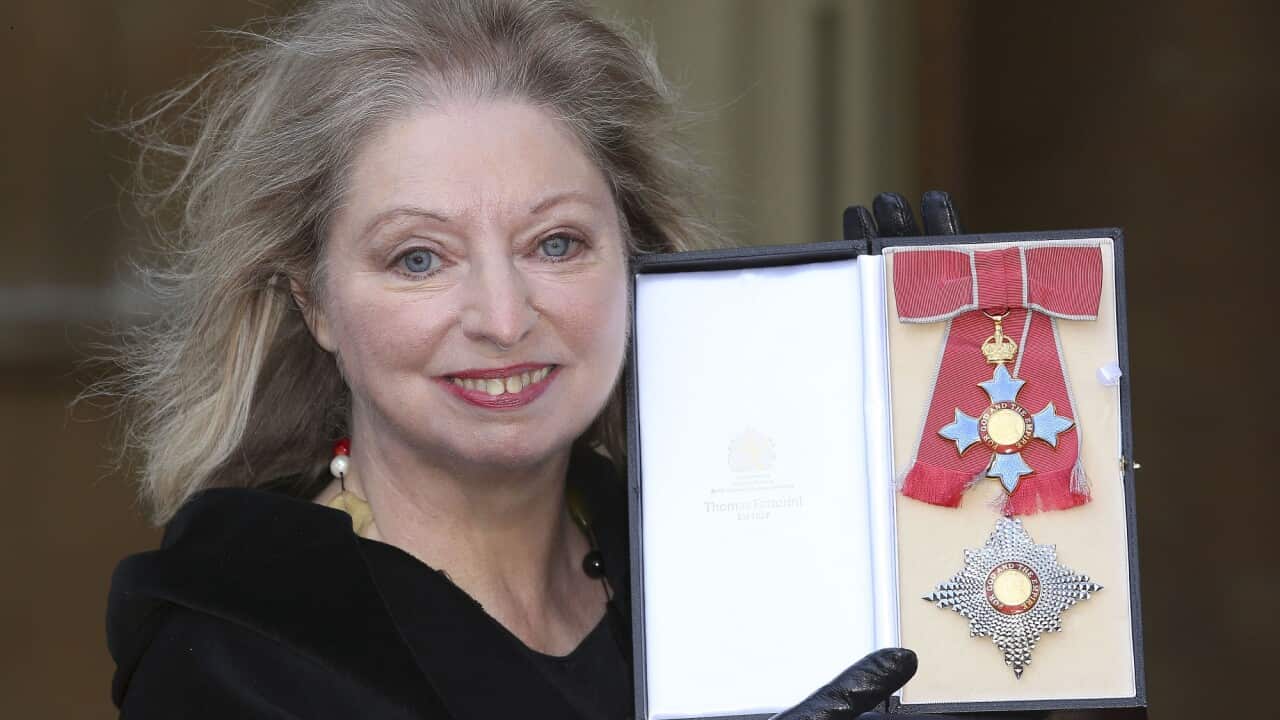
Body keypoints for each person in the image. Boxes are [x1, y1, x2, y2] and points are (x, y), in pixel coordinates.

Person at [105, 1, 955, 717]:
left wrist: (962, 523)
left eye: (555, 244)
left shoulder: (725, 559)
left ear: (638, 259)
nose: (504, 319)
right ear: (314, 303)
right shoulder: (235, 652)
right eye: (418, 258)